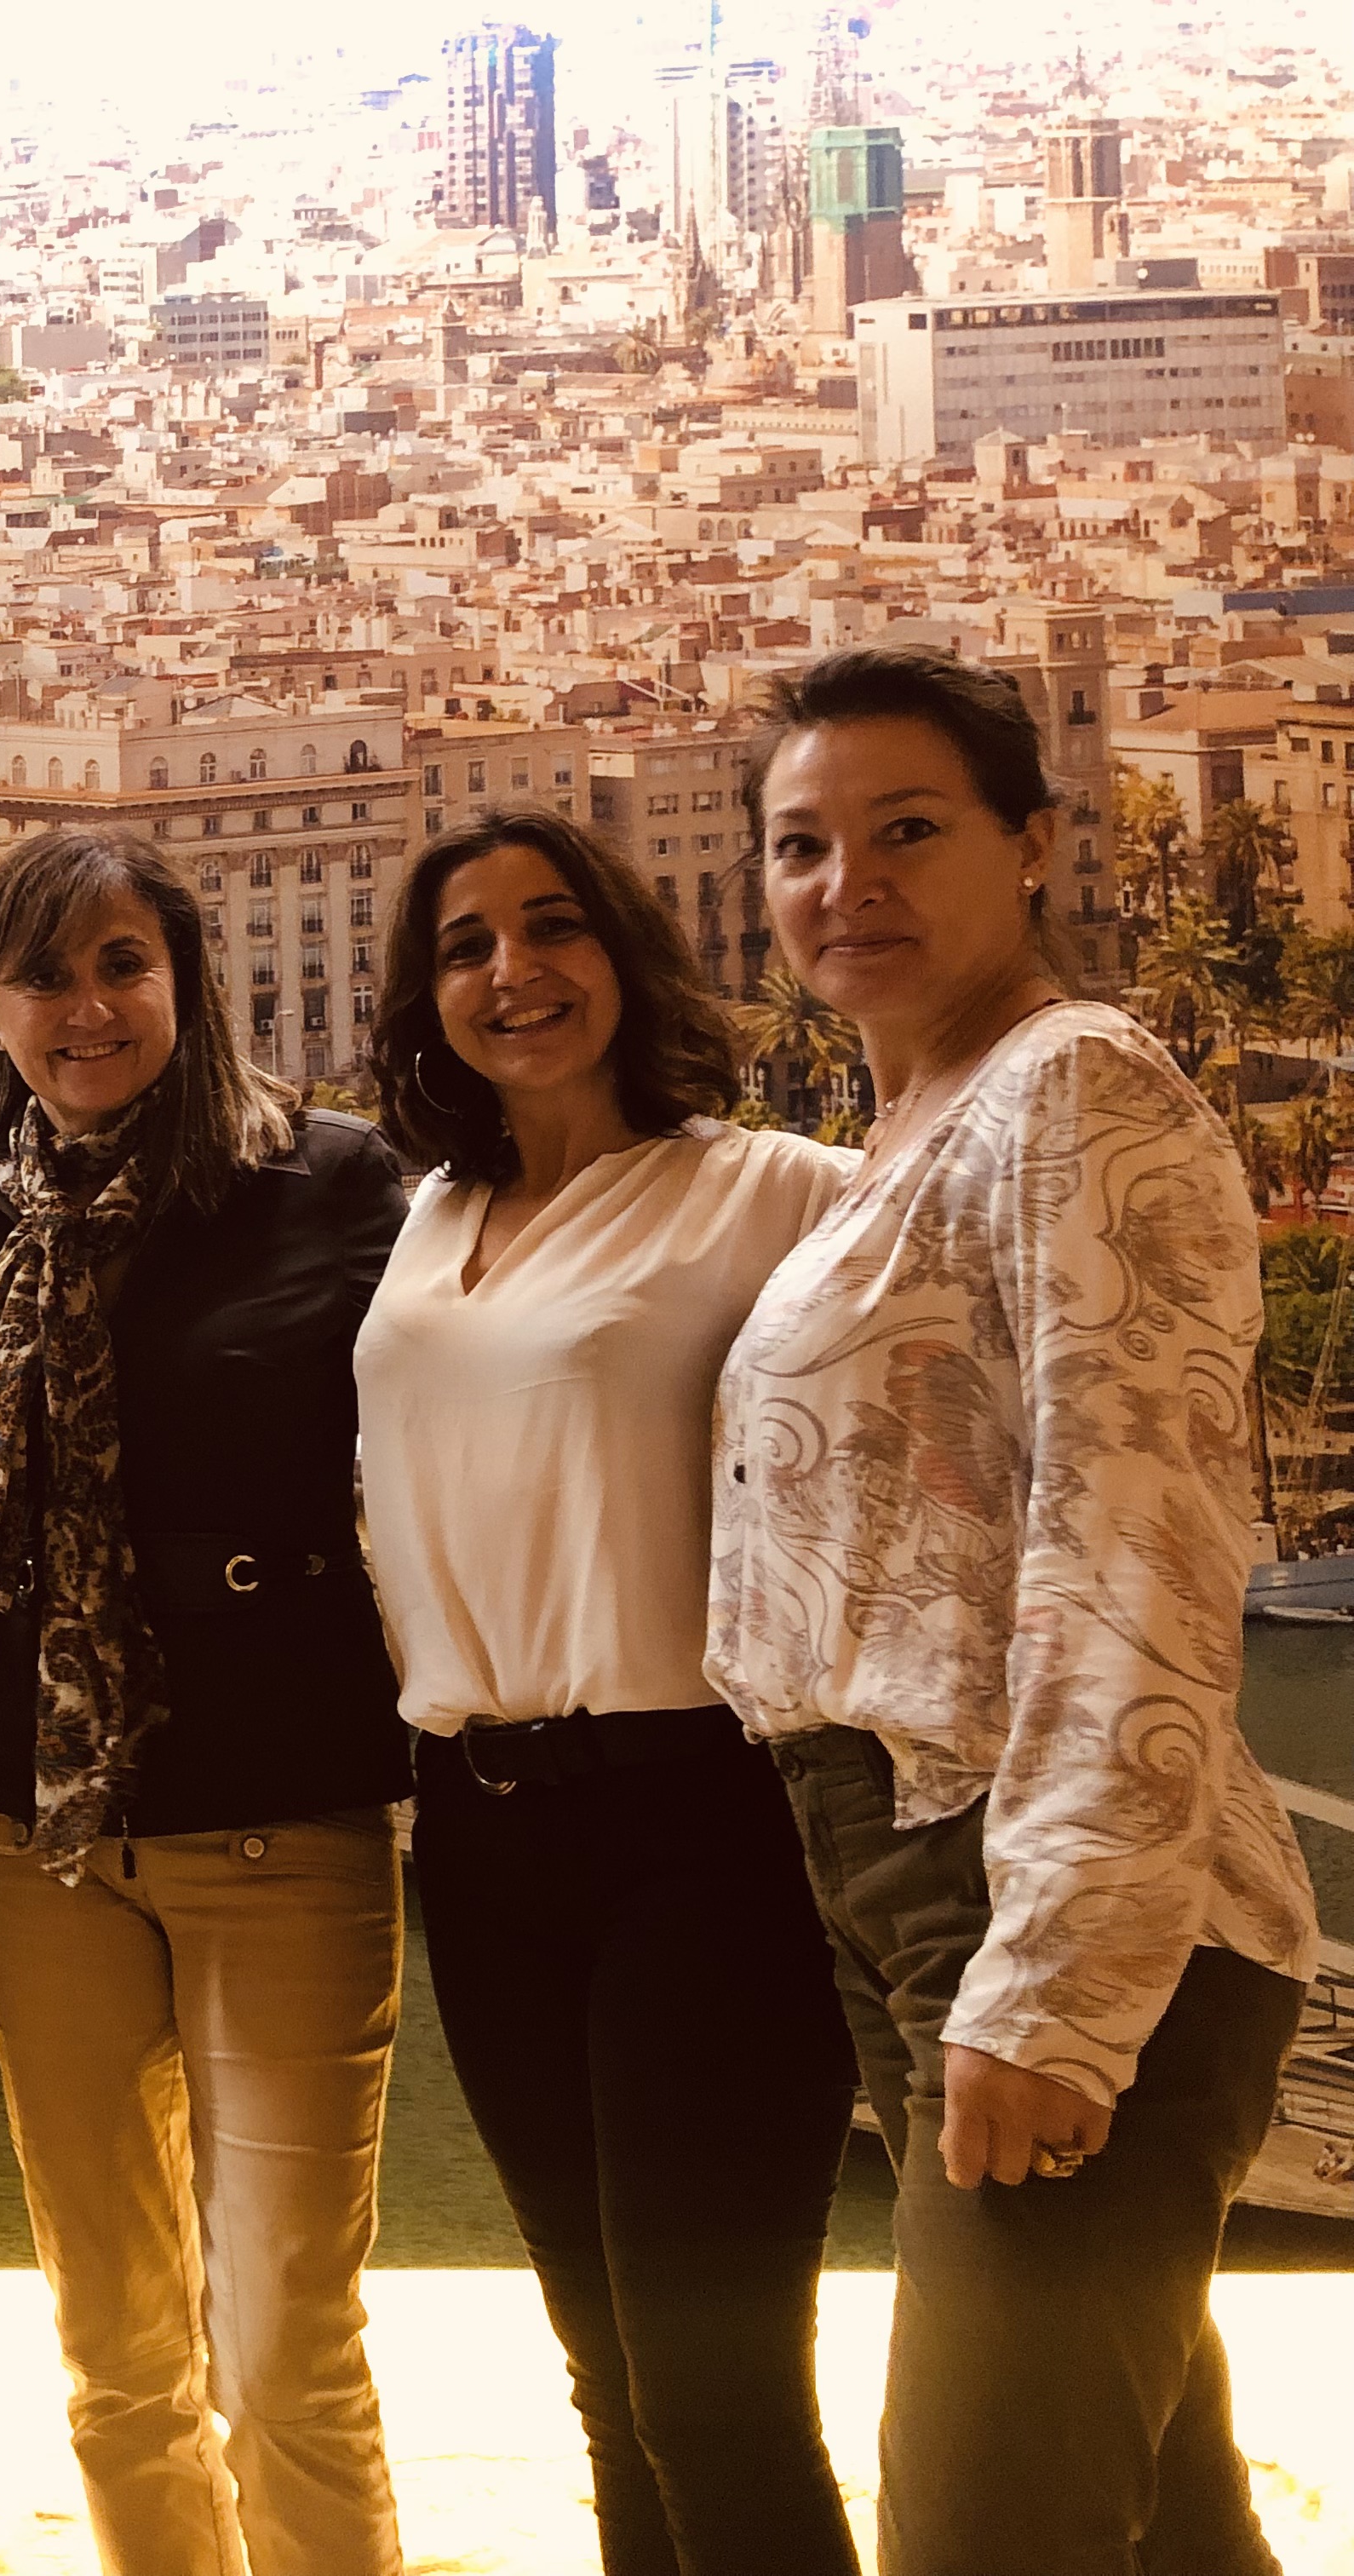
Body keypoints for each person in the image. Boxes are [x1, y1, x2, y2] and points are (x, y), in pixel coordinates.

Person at [711, 646, 1321, 2576]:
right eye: (801, 847)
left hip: (1036, 1906)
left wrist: (1056, 1986)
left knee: (985, 2530)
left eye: (908, 831)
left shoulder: (1078, 1089)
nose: (847, 884)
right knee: (1151, 2530)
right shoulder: (912, 1126)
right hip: (918, 1889)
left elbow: (1138, 1541)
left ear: (1035, 844)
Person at [353, 808, 863, 2576]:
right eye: (465, 947)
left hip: (695, 1818)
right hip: (476, 1829)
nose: (513, 972)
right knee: (604, 2373)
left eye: (552, 926)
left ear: (627, 952)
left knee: (718, 2385)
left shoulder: (775, 1190)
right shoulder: (431, 1216)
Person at [0, 824, 411, 2576]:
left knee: (289, 2344)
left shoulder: (328, 1182)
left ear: (185, 976)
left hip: (282, 1807)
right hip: (31, 1832)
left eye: (123, 964)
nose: (88, 1009)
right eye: (42, 976)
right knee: (116, 2348)